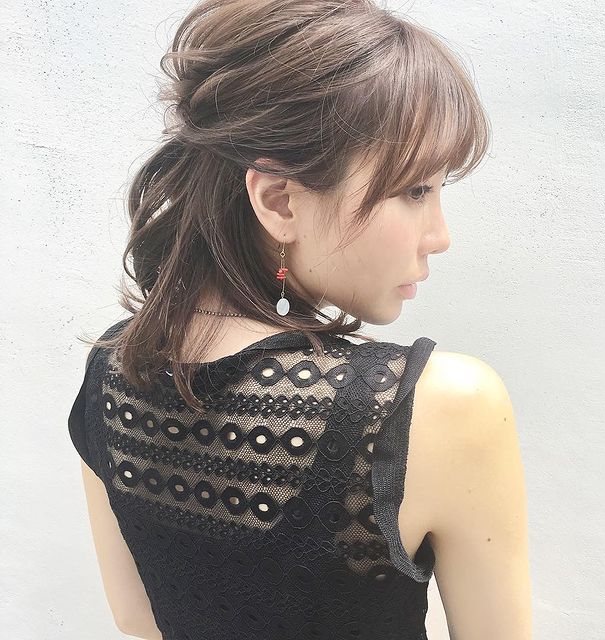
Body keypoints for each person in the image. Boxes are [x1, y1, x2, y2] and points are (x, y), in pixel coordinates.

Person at [68, 1, 531, 638]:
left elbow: (136, 618)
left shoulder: (115, 366)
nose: (440, 236)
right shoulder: (440, 406)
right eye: (415, 190)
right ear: (280, 200)